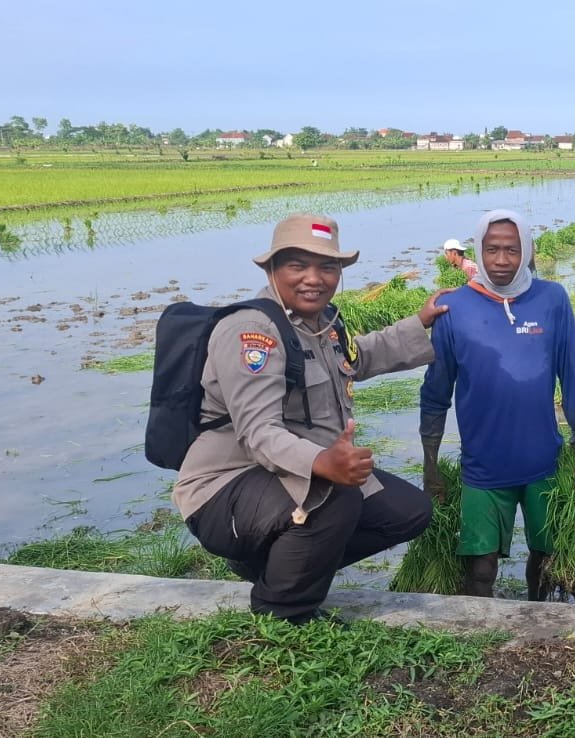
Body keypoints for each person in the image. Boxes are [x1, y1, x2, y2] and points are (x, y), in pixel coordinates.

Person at [175, 213, 450, 625]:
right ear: (271, 269)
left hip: (281, 482)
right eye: (297, 265)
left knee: (407, 511)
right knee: (334, 495)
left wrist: (420, 323)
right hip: (225, 486)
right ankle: (283, 612)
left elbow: (357, 358)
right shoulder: (253, 331)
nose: (314, 279)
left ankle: (273, 565)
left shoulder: (322, 325)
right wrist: (323, 462)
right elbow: (258, 432)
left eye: (328, 267)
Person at [419, 209, 575, 601]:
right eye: (492, 249)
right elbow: (435, 393)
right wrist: (430, 465)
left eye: (512, 250)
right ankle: (481, 632)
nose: (501, 260)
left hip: (543, 463)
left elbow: (573, 377)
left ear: (528, 251)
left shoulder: (552, 299)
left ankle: (539, 619)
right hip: (483, 467)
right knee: (480, 569)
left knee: (545, 560)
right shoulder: (453, 308)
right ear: (478, 252)